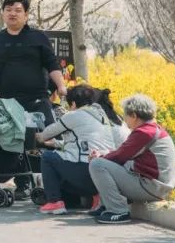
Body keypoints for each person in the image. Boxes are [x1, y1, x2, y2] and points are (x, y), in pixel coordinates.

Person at [0, 0, 67, 199]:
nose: (12, 14)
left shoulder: (37, 38)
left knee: (46, 141)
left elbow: (52, 64)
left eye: (17, 10)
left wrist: (61, 86)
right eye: (8, 10)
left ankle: (52, 183)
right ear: (2, 13)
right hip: (7, 104)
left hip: (36, 100)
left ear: (26, 15)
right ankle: (22, 183)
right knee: (11, 142)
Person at [88, 93, 175, 224]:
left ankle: (118, 211)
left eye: (126, 115)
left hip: (152, 187)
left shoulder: (144, 132)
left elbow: (120, 156)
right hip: (157, 186)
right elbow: (124, 153)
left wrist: (100, 156)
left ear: (134, 115)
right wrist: (104, 153)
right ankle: (106, 205)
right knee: (107, 162)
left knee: (97, 164)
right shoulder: (152, 129)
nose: (124, 119)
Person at [34, 84, 119, 215]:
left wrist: (37, 137)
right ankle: (96, 196)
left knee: (48, 158)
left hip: (86, 172)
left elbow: (48, 133)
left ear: (73, 103)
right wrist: (56, 143)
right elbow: (82, 141)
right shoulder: (102, 116)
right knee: (65, 157)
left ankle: (54, 202)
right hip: (105, 172)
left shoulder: (75, 115)